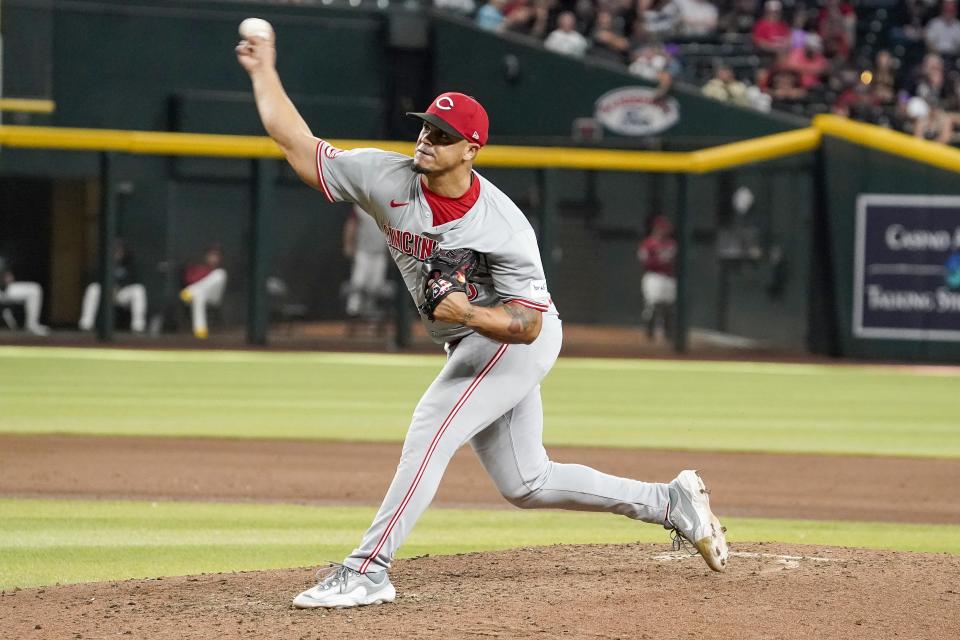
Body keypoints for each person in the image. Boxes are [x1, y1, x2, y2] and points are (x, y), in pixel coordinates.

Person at [236, 24, 729, 609]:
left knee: (432, 427)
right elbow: (296, 142)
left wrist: (467, 309)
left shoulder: (504, 225)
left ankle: (368, 568)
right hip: (473, 338)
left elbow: (529, 324)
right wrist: (263, 69)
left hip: (514, 337)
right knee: (527, 483)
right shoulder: (384, 176)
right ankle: (669, 502)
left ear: (470, 149)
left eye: (441, 135)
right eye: (424, 127)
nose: (426, 140)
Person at [78, 238, 148, 333]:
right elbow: (93, 277)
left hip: (121, 294)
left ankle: (138, 326)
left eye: (119, 250)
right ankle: (86, 324)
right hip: (105, 293)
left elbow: (135, 280)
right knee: (93, 288)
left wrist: (120, 287)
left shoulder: (129, 262)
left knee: (138, 290)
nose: (117, 252)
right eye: (114, 250)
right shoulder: (101, 262)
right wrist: (109, 287)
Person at [343, 204, 390, 317]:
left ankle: (370, 311)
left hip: (380, 253)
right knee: (358, 281)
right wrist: (348, 243)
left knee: (375, 284)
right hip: (363, 251)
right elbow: (351, 225)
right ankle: (353, 311)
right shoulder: (360, 206)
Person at [637, 216, 677, 342]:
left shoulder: (671, 244)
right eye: (661, 228)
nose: (664, 230)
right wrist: (659, 261)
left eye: (665, 228)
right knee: (652, 304)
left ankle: (668, 333)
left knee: (669, 306)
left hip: (668, 277)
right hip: (653, 276)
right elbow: (645, 261)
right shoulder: (648, 243)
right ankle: (649, 332)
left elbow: (674, 261)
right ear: (655, 228)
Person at [179, 244, 227, 339]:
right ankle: (200, 330)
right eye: (211, 255)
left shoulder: (217, 270)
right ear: (206, 256)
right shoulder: (198, 268)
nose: (213, 258)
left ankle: (191, 291)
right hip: (194, 298)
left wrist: (194, 289)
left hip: (213, 297)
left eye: (216, 256)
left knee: (221, 274)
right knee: (199, 296)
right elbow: (189, 280)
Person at [0, 254, 50, 336]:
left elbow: (8, 277)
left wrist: (6, 277)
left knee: (34, 289)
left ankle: (32, 325)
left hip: (3, 290)